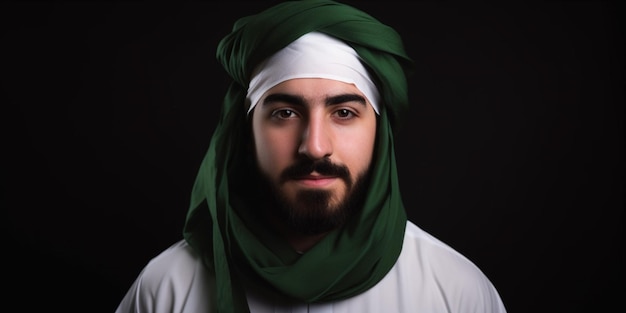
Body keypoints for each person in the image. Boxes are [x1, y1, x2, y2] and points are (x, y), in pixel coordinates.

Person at [115, 0, 507, 312]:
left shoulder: (455, 292)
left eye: (344, 113)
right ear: (245, 131)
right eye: (285, 113)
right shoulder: (166, 288)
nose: (315, 146)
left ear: (379, 134)